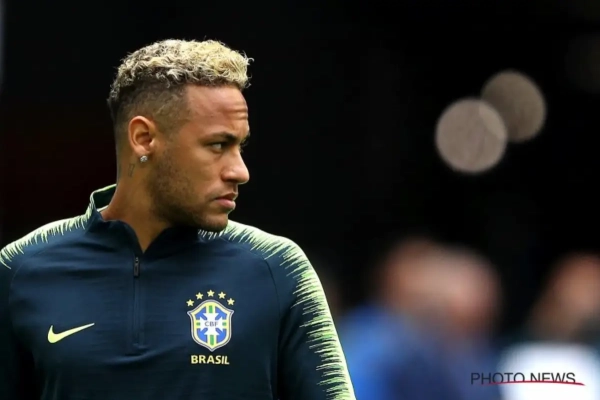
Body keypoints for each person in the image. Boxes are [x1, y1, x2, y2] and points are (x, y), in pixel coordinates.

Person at [0, 39, 355, 400]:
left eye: (240, 146)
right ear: (143, 138)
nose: (240, 171)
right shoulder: (19, 270)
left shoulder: (278, 269)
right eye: (218, 145)